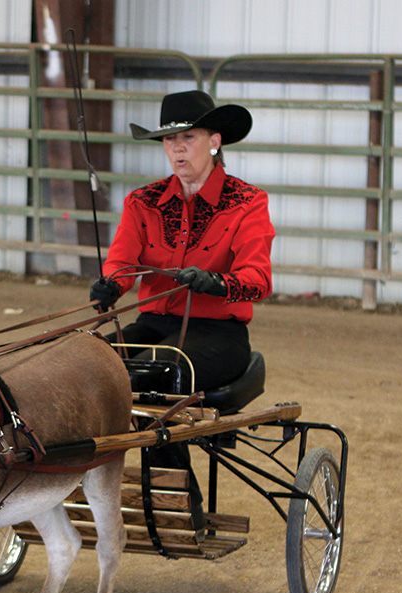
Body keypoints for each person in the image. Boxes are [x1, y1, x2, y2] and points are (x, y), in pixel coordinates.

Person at [90, 89, 274, 392]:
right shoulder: (142, 202)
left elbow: (258, 279)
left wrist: (215, 282)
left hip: (219, 334)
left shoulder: (247, 201)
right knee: (86, 363)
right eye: (169, 140)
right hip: (152, 325)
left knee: (154, 370)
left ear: (214, 142)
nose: (178, 149)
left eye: (188, 138)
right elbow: (121, 262)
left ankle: (164, 441)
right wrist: (110, 285)